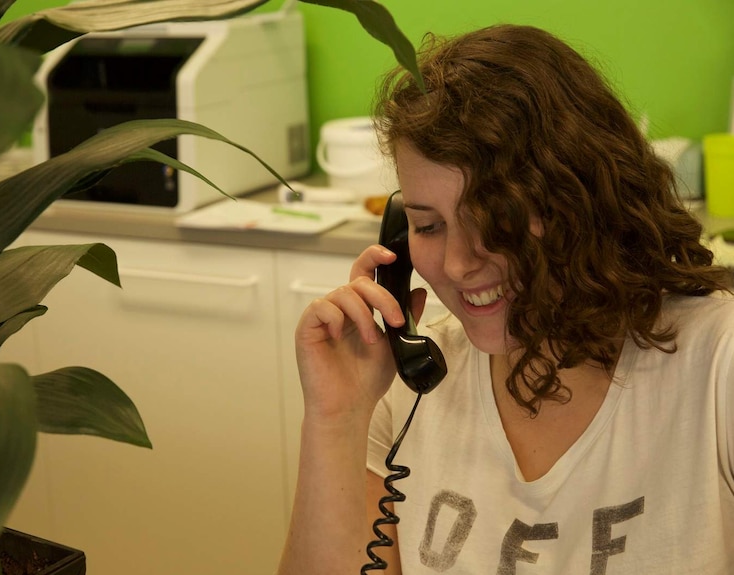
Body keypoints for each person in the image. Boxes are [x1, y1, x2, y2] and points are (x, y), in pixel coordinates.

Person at [277, 23, 734, 575]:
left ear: (582, 199)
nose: (457, 264)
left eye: (495, 218)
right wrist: (337, 419)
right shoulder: (406, 391)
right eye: (428, 225)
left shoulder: (717, 364)